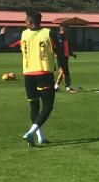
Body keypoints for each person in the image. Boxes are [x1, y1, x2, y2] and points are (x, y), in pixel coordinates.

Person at [10, 10, 59, 146]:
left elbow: (8, 44)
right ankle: (31, 133)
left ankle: (40, 137)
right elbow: (59, 49)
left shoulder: (23, 34)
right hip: (44, 74)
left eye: (25, 20)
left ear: (30, 22)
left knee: (34, 105)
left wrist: (2, 34)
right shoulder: (48, 33)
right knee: (48, 106)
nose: (24, 22)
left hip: (28, 75)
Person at [54, 25, 78, 93]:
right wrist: (56, 54)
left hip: (65, 57)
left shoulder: (64, 37)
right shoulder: (59, 37)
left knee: (64, 72)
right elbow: (56, 47)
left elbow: (65, 48)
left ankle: (57, 87)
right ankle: (67, 87)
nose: (67, 30)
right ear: (62, 29)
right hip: (61, 57)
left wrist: (71, 54)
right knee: (63, 72)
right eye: (66, 29)